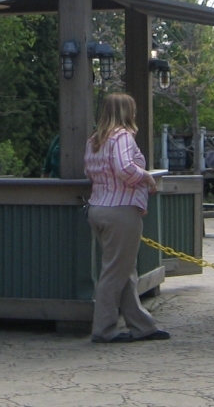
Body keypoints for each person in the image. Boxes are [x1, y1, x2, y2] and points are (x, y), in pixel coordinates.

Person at [85, 93, 170, 343]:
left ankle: (142, 326)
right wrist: (146, 177)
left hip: (98, 207)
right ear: (126, 111)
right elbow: (124, 168)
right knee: (115, 272)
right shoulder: (122, 136)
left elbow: (88, 171)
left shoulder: (94, 140)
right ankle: (104, 329)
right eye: (132, 109)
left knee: (124, 269)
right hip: (121, 210)